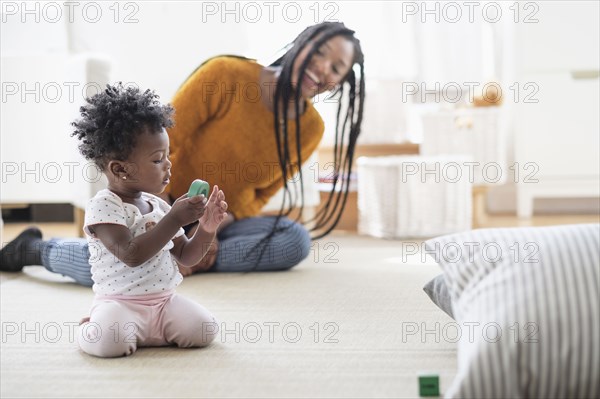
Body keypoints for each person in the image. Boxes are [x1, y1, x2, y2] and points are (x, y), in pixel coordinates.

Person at [0, 21, 365, 281]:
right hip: (157, 208)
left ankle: (172, 263)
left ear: (342, 81)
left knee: (294, 239)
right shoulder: (226, 75)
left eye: (336, 68)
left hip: (219, 221)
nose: (321, 69)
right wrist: (168, 224)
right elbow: (156, 147)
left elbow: (261, 196)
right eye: (319, 54)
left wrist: (213, 229)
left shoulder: (312, 127)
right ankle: (38, 251)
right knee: (120, 260)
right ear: (301, 43)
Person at [74, 83, 227, 357]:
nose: (168, 164)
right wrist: (174, 217)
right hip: (119, 304)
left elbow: (187, 256)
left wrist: (206, 229)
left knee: (205, 329)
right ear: (121, 169)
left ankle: (149, 330)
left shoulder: (157, 204)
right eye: (158, 159)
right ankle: (90, 327)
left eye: (167, 156)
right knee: (110, 343)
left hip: (163, 302)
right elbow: (131, 254)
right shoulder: (104, 206)